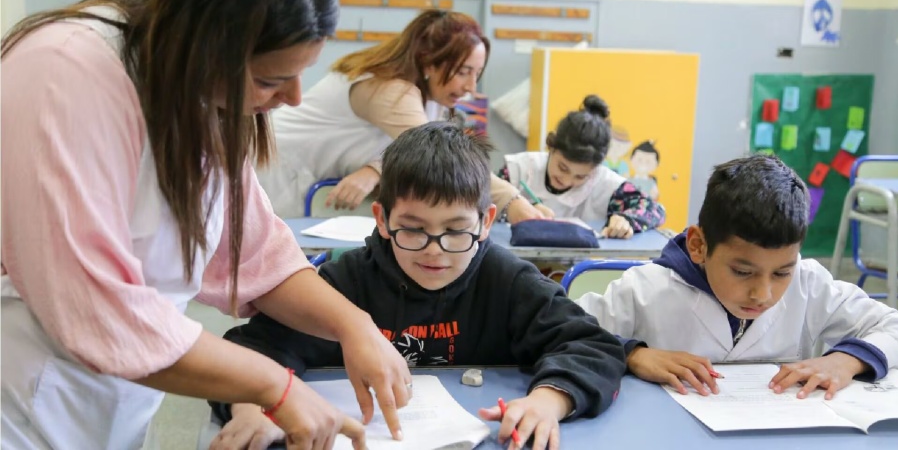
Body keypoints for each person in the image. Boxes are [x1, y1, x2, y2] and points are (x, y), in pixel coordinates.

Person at [0, 0, 412, 448]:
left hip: (111, 394)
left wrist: (353, 324)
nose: (293, 98)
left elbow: (254, 256)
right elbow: (95, 306)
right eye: (269, 80)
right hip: (22, 393)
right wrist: (273, 387)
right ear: (203, 47)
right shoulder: (63, 74)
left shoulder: (196, 92)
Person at [210, 122, 627, 450]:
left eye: (455, 230)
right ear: (381, 218)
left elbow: (592, 346)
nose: (436, 251)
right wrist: (250, 408)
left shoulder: (507, 279)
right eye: (413, 229)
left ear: (486, 222)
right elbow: (253, 348)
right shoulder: (348, 281)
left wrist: (547, 402)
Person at [577, 154, 898, 400]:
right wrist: (633, 353)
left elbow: (893, 326)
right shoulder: (645, 290)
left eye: (782, 272)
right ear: (698, 245)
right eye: (743, 272)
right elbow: (563, 331)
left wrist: (847, 360)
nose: (763, 293)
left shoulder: (810, 284)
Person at [255, 9, 548, 223]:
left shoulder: (431, 96)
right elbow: (442, 158)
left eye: (477, 74)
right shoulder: (390, 89)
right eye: (463, 72)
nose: (471, 87)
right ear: (428, 62)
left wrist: (374, 169)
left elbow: (413, 147)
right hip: (276, 171)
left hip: (312, 184)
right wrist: (513, 201)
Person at [498, 95, 665, 238]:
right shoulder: (518, 170)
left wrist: (626, 220)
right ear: (552, 146)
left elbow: (654, 210)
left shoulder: (608, 184)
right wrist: (517, 208)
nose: (567, 180)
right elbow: (480, 205)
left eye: (581, 176)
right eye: (562, 167)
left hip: (581, 270)